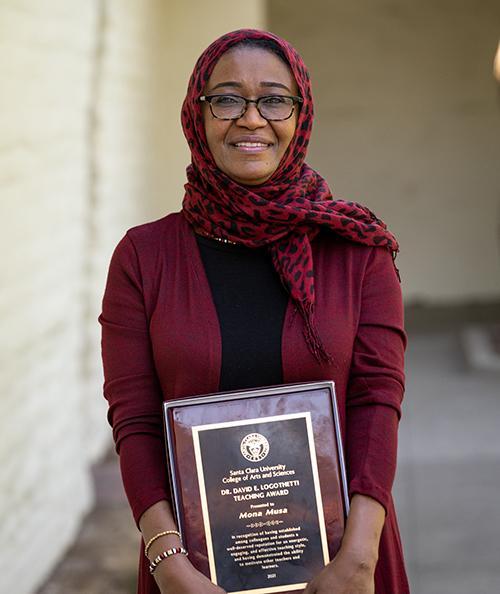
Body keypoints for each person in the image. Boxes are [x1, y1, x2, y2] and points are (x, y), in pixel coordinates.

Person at [99, 29, 409, 594]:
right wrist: (168, 563)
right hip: (193, 575)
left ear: (300, 114)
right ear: (198, 114)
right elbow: (135, 421)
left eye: (273, 98)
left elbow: (376, 401)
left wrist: (361, 556)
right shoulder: (142, 259)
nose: (250, 118)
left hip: (344, 564)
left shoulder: (359, 250)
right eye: (226, 99)